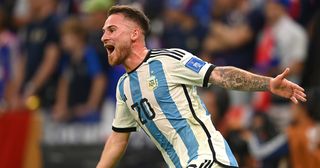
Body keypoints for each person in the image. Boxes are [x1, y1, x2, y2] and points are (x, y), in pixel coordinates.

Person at [97, 5, 306, 168]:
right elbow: (117, 139)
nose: (104, 36)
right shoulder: (123, 88)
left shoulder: (168, 60)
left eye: (112, 29)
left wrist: (268, 83)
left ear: (134, 34)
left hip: (208, 159)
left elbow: (219, 74)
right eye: (104, 31)